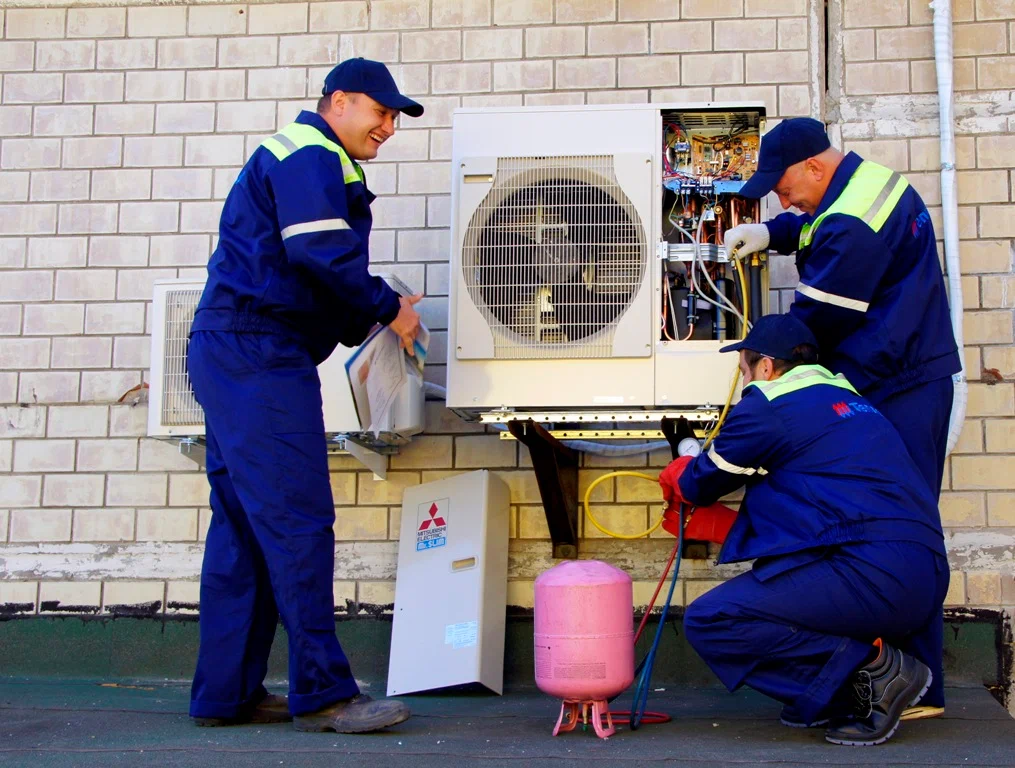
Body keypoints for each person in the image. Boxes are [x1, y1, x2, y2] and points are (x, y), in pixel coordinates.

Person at [186, 58, 424, 734]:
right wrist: (387, 307)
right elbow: (320, 253)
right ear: (339, 101)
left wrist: (375, 316)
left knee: (246, 529)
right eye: (380, 112)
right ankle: (322, 693)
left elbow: (310, 271)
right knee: (295, 519)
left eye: (394, 119)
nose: (388, 128)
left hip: (238, 349)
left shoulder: (314, 160)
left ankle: (225, 694)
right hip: (258, 353)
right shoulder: (311, 153)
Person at [722, 118, 960, 714]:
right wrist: (771, 232)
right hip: (900, 373)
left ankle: (918, 682)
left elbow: (815, 325)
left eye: (782, 188)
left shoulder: (850, 226)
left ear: (814, 168)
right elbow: (811, 223)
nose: (782, 198)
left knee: (900, 530)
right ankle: (884, 675)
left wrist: (762, 362)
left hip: (896, 383)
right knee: (891, 525)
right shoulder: (865, 185)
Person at [659, 314, 949, 747]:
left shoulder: (769, 404)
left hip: (873, 573)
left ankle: (877, 673)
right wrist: (729, 526)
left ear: (766, 368)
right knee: (774, 589)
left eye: (743, 370)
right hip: (920, 575)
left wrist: (681, 474)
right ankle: (837, 699)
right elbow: (821, 506)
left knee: (712, 619)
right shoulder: (853, 403)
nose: (743, 382)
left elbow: (701, 481)